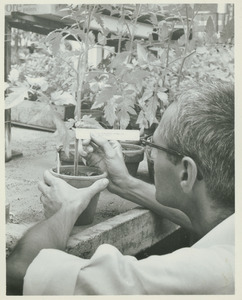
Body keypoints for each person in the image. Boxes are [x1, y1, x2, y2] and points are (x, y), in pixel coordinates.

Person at [6, 81, 234, 295]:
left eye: (153, 146)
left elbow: (22, 272)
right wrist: (124, 183)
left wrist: (66, 209)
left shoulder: (198, 276)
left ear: (186, 173)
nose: (151, 155)